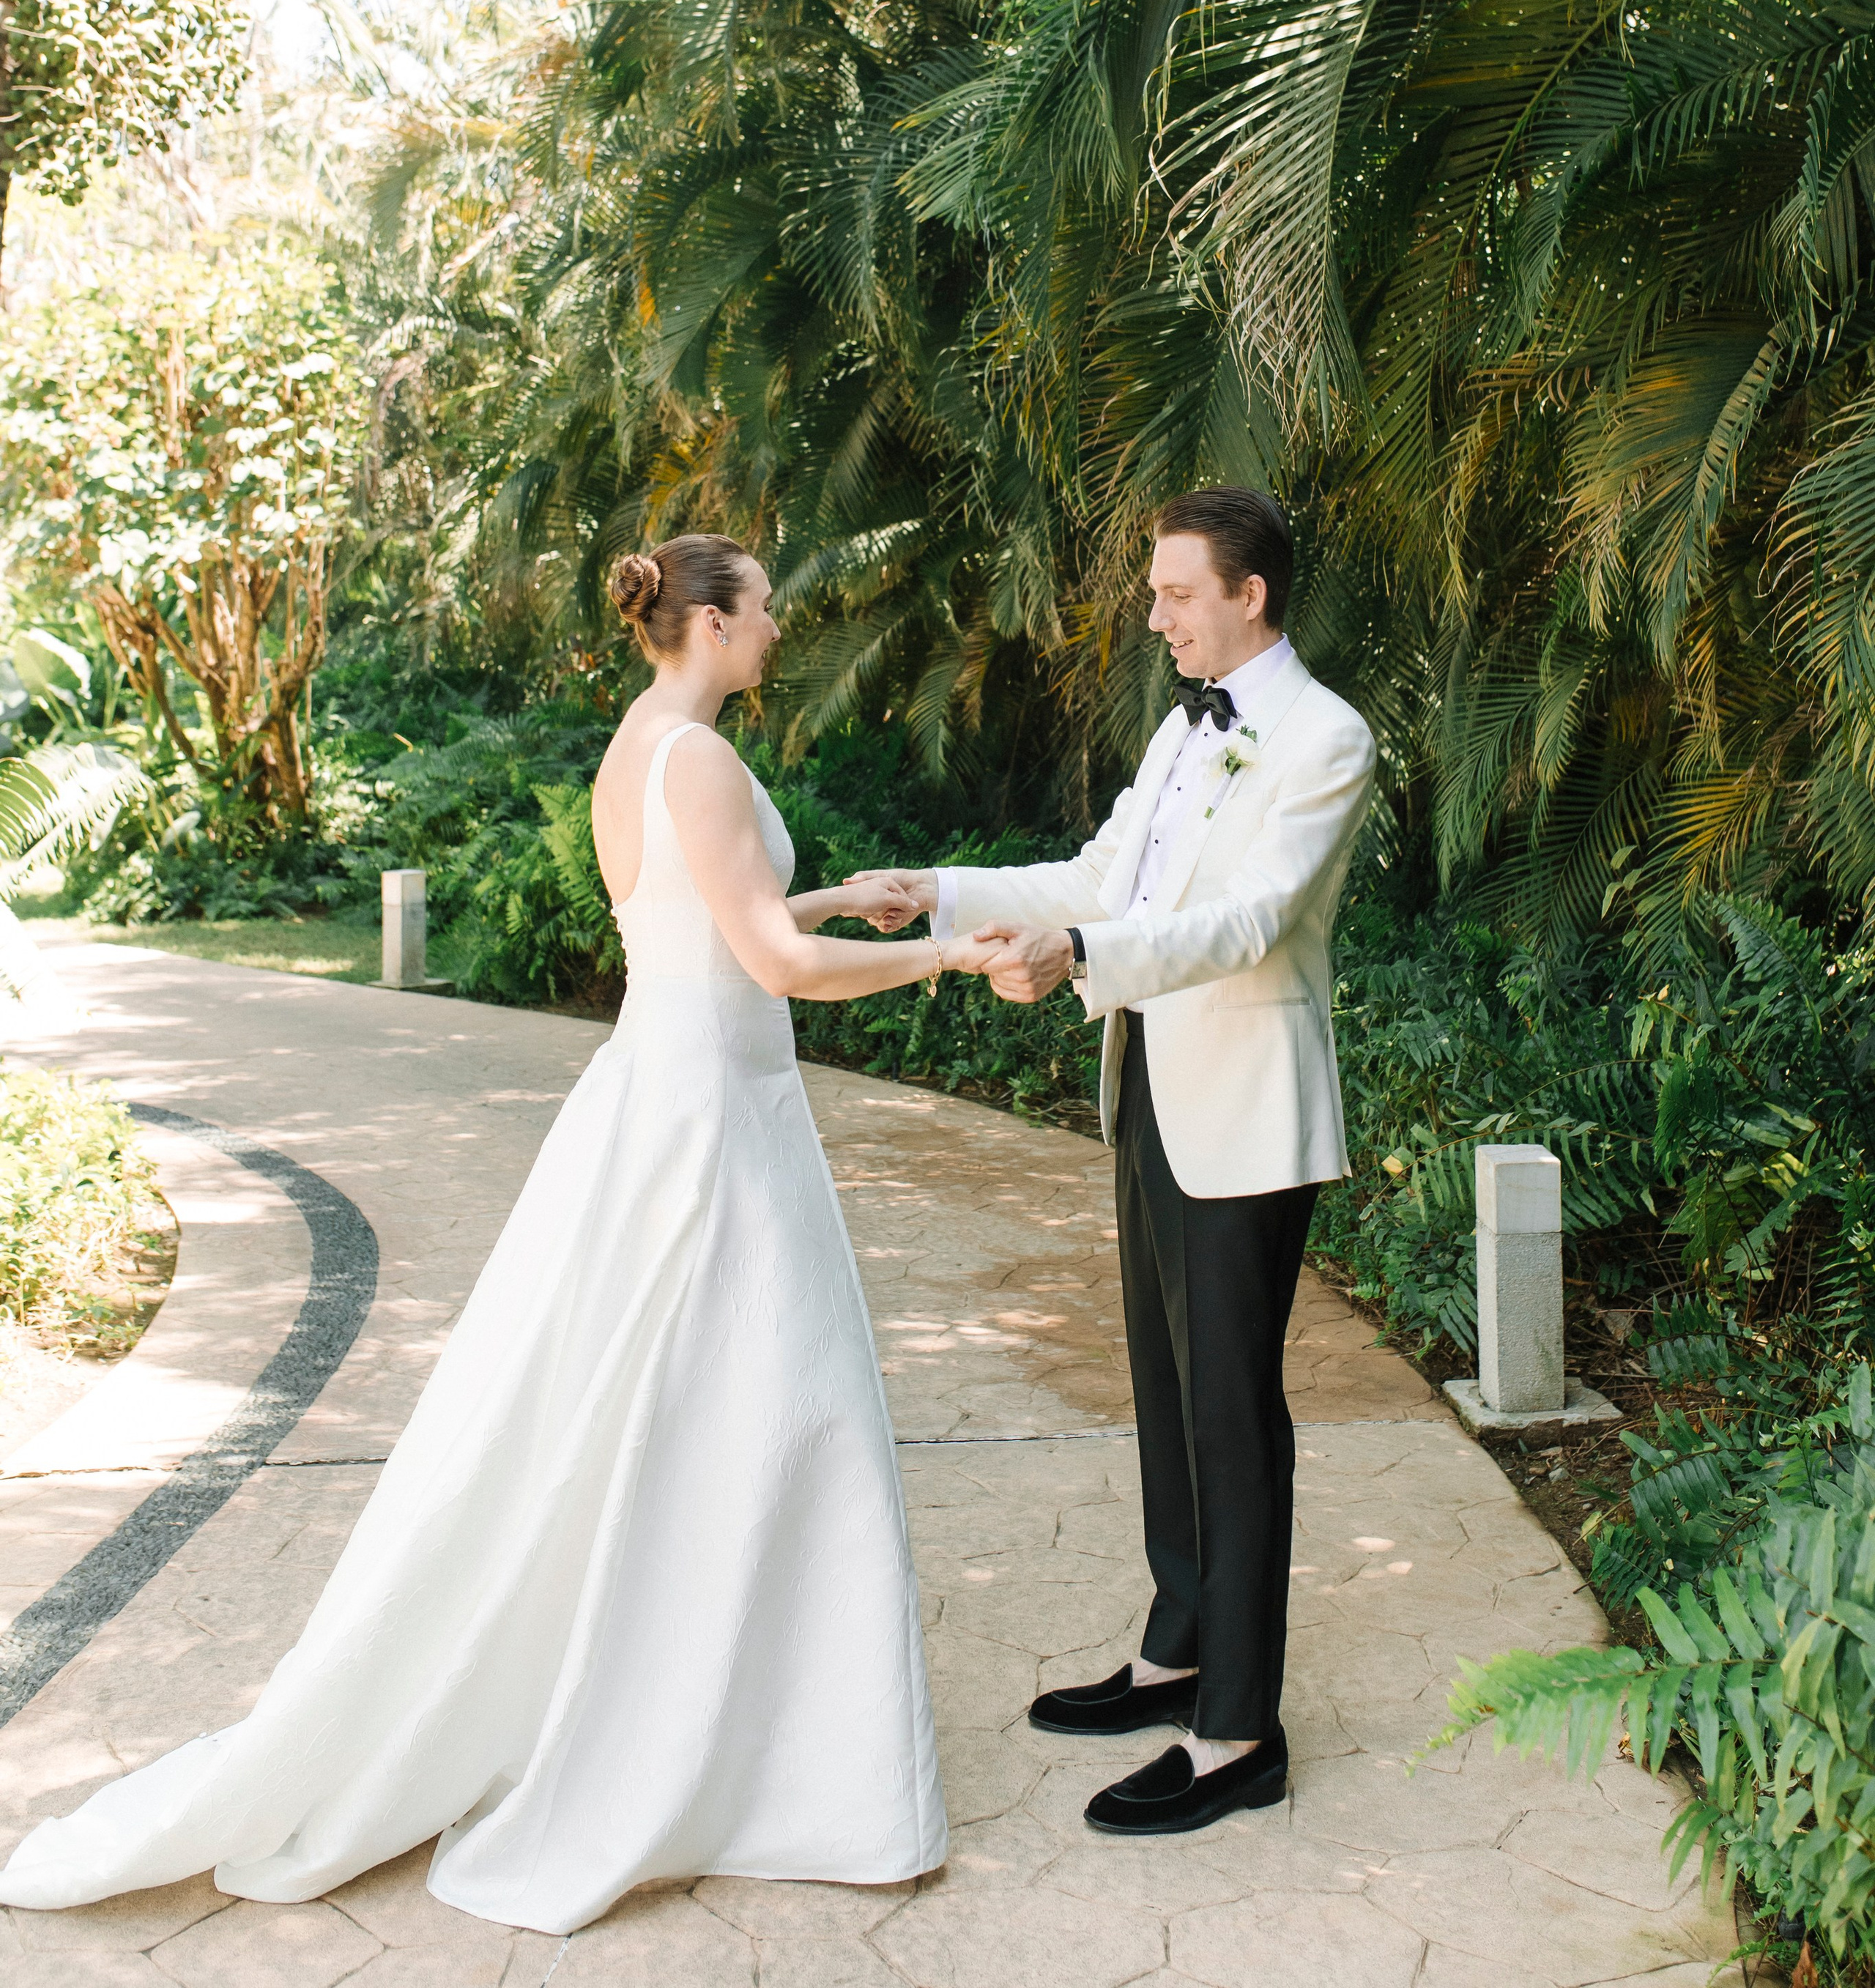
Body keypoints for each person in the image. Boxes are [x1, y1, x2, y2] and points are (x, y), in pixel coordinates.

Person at [0, 533, 994, 1934]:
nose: (779, 627)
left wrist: (843, 899)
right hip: (717, 1119)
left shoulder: (638, 746)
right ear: (712, 624)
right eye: (765, 608)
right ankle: (767, 1754)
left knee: (688, 1409)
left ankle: (745, 1726)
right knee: (785, 1404)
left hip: (666, 1096)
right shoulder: (702, 760)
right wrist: (946, 950)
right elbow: (770, 965)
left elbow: (706, 923)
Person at [847, 487, 1375, 1839]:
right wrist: (943, 891)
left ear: (1251, 593)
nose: (1156, 616)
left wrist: (1081, 956)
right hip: (1147, 1087)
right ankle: (1176, 1653)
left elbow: (1250, 923)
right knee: (1166, 1391)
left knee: (1233, 1418)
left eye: (1177, 593)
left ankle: (1239, 1732)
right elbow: (1099, 876)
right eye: (1156, 592)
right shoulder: (1183, 728)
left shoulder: (1326, 737)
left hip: (1244, 1111)